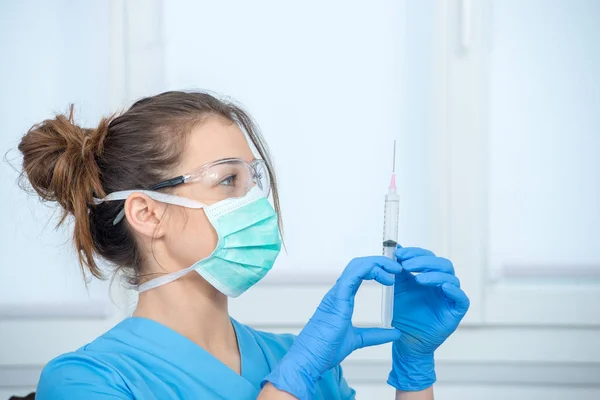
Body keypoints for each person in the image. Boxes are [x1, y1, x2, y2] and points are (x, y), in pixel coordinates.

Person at [18, 91, 469, 399]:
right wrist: (293, 380)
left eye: (255, 181)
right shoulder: (88, 380)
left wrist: (414, 370)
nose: (255, 202)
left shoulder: (304, 359)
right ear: (147, 213)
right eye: (228, 180)